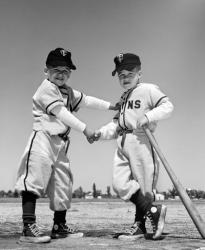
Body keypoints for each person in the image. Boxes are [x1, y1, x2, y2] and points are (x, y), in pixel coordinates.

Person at [15, 47, 118, 243]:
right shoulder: (46, 88)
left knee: (63, 183)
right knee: (33, 179)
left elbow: (87, 100)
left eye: (66, 71)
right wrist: (85, 128)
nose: (61, 74)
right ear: (46, 71)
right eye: (56, 69)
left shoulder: (68, 91)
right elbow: (61, 112)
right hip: (43, 139)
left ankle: (59, 226)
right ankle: (28, 227)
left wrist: (111, 106)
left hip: (60, 144)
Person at [92, 53, 174, 240]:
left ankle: (140, 225)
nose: (125, 78)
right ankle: (153, 211)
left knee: (145, 186)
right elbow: (115, 125)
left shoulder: (147, 89)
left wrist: (148, 117)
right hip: (122, 141)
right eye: (121, 75)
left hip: (141, 140)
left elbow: (167, 106)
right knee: (120, 184)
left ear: (140, 74)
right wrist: (100, 133)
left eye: (129, 73)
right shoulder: (123, 98)